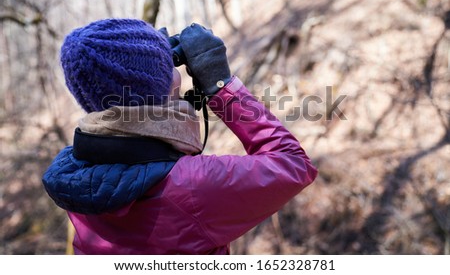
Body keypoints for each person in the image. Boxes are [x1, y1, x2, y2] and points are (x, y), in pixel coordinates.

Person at [42, 18, 317, 254]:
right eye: (170, 70)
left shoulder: (74, 174)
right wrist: (222, 87)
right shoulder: (191, 186)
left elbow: (129, 127)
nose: (176, 75)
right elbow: (293, 164)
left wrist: (151, 67)